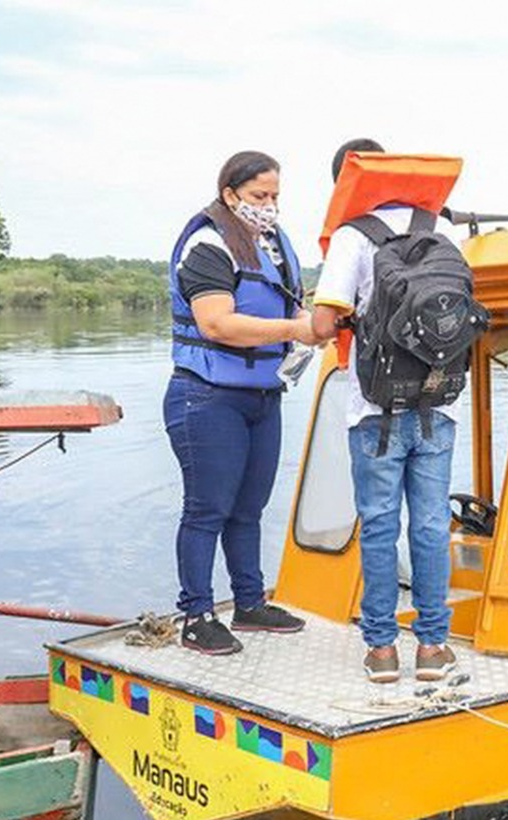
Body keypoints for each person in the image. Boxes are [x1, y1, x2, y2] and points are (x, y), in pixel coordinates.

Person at [310, 138, 459, 684]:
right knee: (429, 525)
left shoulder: (353, 236)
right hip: (437, 404)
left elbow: (325, 326)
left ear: (345, 183)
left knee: (379, 528)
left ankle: (381, 652)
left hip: (372, 409)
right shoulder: (440, 229)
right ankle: (433, 647)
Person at [165, 150, 316, 655]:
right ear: (230, 194)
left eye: (275, 196)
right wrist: (296, 329)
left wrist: (316, 320)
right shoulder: (209, 245)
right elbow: (216, 323)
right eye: (258, 196)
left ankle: (249, 602)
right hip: (206, 398)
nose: (268, 206)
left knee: (249, 507)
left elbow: (294, 303)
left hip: (261, 396)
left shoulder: (272, 245)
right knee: (207, 508)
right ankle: (197, 615)